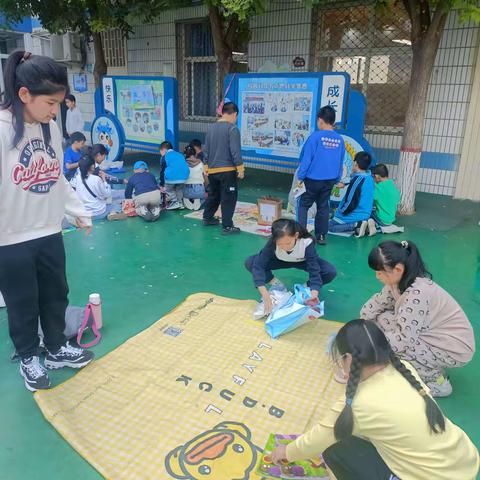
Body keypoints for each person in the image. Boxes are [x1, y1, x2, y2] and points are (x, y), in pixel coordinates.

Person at [271, 319, 479, 480]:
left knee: (334, 449)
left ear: (348, 360)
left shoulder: (358, 404)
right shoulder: (404, 368)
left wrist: (286, 452)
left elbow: (316, 441)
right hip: (465, 462)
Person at [0, 51, 94, 391]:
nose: (55, 110)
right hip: (9, 239)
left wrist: (77, 211)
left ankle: (55, 348)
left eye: (57, 103)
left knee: (56, 295)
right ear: (24, 94)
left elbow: (56, 178)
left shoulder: (50, 128)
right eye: (50, 103)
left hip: (49, 231)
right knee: (22, 302)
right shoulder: (1, 129)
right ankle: (29, 357)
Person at [361, 240, 475, 396]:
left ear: (398, 269)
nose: (377, 276)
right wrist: (360, 326)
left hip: (454, 347)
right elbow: (377, 303)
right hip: (435, 334)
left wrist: (371, 346)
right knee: (382, 319)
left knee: (402, 347)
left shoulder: (417, 293)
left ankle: (437, 382)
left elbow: (404, 340)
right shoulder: (399, 281)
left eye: (380, 272)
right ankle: (429, 362)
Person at [244, 219, 336, 315]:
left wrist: (314, 293)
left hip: (302, 261)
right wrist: (264, 293)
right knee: (250, 262)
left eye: (288, 243)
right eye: (280, 244)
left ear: (296, 236)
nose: (284, 247)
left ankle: (305, 288)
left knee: (330, 271)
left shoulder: (306, 242)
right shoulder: (272, 242)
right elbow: (259, 264)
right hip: (280, 260)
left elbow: (314, 269)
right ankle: (276, 284)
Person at [297, 106, 345, 245]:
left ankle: (302, 235)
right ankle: (321, 236)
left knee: (303, 206)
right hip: (329, 180)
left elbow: (306, 159)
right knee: (323, 207)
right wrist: (337, 179)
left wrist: (300, 177)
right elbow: (340, 162)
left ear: (320, 120)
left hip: (312, 179)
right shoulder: (340, 140)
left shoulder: (315, 137)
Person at [203, 102, 244, 235]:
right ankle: (227, 226)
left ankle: (207, 218)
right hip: (227, 171)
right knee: (228, 197)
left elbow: (206, 149)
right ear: (235, 114)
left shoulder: (211, 128)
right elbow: (235, 151)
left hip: (212, 170)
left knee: (213, 195)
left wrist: (205, 166)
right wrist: (240, 168)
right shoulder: (232, 129)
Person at [328, 151, 374, 234]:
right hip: (365, 213)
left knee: (329, 226)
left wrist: (340, 213)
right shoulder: (369, 177)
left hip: (355, 214)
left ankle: (356, 225)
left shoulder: (357, 181)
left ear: (355, 163)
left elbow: (350, 203)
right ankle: (362, 225)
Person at [75, 154, 126, 221]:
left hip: (84, 213)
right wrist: (104, 179)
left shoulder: (77, 177)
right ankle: (112, 213)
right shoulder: (96, 179)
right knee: (115, 203)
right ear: (92, 166)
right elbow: (107, 194)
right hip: (98, 213)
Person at [357, 163, 400, 237]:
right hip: (390, 219)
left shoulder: (379, 188)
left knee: (365, 210)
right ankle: (374, 225)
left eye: (373, 177)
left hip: (381, 219)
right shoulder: (393, 186)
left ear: (377, 177)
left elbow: (367, 198)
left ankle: (371, 225)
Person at [159, 141, 189, 210]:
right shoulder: (180, 154)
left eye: (160, 152)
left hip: (172, 177)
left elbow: (162, 171)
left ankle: (174, 201)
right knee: (179, 189)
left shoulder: (164, 157)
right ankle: (180, 203)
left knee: (169, 189)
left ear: (164, 150)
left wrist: (162, 184)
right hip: (184, 177)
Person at [183, 145, 207, 211]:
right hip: (199, 189)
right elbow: (205, 177)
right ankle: (198, 199)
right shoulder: (201, 163)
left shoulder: (183, 163)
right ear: (195, 154)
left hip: (186, 190)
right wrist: (207, 188)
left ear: (185, 154)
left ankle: (186, 199)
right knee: (205, 197)